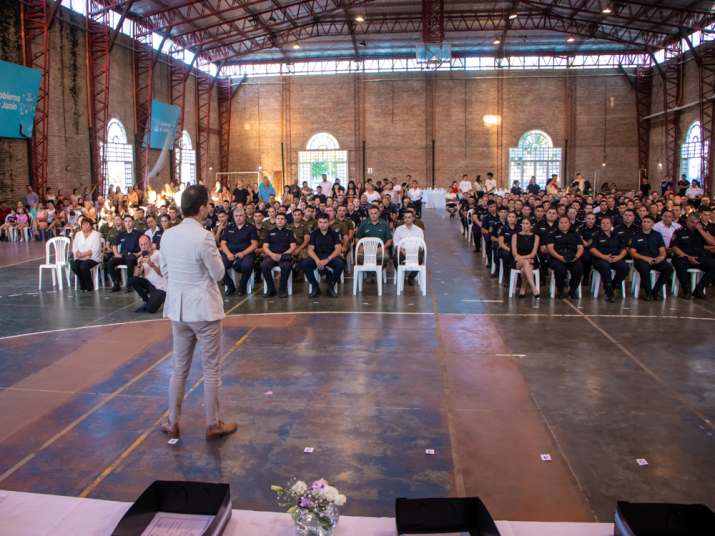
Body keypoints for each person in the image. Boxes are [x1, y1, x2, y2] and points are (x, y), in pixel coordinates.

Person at [159, 184, 237, 440]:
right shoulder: (203, 236)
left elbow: (166, 271)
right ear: (202, 208)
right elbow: (218, 273)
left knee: (179, 367)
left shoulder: (167, 235)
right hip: (203, 310)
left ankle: (172, 420)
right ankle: (213, 423)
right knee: (211, 368)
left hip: (178, 310)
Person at [671, 213, 715, 299]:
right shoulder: (679, 231)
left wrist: (701, 231)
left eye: (696, 222)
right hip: (684, 257)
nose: (694, 224)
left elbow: (712, 242)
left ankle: (699, 289)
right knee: (680, 264)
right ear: (687, 221)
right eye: (692, 222)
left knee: (713, 265)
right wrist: (688, 257)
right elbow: (674, 247)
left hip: (699, 257)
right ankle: (686, 290)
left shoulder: (702, 230)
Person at [629, 215, 672, 301]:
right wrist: (646, 259)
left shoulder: (657, 235)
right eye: (644, 221)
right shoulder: (636, 235)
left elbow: (662, 250)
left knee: (669, 268)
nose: (646, 223)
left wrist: (661, 257)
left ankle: (656, 290)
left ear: (653, 224)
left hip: (655, 259)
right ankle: (648, 292)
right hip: (641, 260)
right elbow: (633, 253)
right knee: (645, 268)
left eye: (648, 222)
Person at [301, 214, 344, 298]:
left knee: (340, 264)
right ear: (317, 223)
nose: (322, 224)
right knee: (305, 264)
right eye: (320, 222)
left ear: (329, 223)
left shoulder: (334, 234)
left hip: (330, 256)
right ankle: (315, 286)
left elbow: (338, 249)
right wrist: (317, 260)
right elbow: (310, 249)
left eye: (325, 222)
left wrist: (327, 260)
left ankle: (331, 286)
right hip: (317, 256)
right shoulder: (314, 234)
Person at [220, 208, 258, 296]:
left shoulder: (251, 228)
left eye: (241, 216)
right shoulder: (228, 227)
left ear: (245, 216)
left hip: (246, 253)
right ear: (233, 217)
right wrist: (228, 253)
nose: (238, 218)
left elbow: (254, 244)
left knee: (247, 265)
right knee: (219, 266)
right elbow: (223, 243)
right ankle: (230, 286)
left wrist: (243, 253)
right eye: (236, 216)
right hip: (230, 253)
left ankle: (242, 286)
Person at [590, 216, 628, 302]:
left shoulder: (617, 235)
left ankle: (613, 286)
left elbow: (624, 249)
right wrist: (604, 257)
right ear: (600, 225)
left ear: (611, 224)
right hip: (600, 259)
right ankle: (609, 294)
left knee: (624, 267)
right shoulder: (596, 235)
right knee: (605, 267)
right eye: (603, 223)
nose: (605, 225)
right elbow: (592, 249)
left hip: (615, 258)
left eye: (607, 223)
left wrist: (619, 257)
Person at [547, 216, 584, 299]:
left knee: (578, 268)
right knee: (560, 269)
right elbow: (550, 248)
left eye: (566, 222)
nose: (564, 224)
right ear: (558, 224)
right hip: (557, 257)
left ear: (569, 224)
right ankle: (560, 290)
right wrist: (559, 257)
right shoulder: (553, 233)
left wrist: (577, 257)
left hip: (573, 257)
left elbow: (580, 247)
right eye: (561, 222)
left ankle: (572, 290)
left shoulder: (575, 234)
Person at [261, 213, 296, 297]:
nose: (280, 220)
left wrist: (282, 255)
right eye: (278, 218)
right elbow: (265, 247)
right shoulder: (270, 232)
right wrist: (272, 255)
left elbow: (293, 247)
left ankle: (282, 290)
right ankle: (271, 289)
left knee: (286, 266)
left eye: (282, 219)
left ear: (285, 221)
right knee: (264, 265)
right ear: (275, 220)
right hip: (272, 256)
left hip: (284, 256)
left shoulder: (289, 232)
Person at [131, 235, 167, 313]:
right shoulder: (141, 257)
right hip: (150, 285)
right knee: (132, 280)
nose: (144, 247)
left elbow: (163, 274)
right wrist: (139, 264)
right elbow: (136, 275)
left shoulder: (159, 254)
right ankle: (147, 301)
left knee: (151, 309)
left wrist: (152, 265)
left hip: (161, 287)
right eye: (141, 245)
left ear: (150, 243)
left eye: (145, 244)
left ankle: (150, 304)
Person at [109, 215, 142, 292]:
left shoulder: (138, 234)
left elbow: (144, 246)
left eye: (130, 221)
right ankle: (116, 283)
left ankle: (129, 284)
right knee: (110, 262)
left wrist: (138, 254)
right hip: (123, 256)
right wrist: (116, 254)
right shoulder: (122, 234)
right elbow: (114, 245)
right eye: (126, 221)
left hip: (134, 256)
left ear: (133, 222)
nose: (128, 223)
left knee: (130, 260)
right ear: (124, 223)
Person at [70, 218, 102, 291]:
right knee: (74, 266)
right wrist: (78, 254)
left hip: (92, 258)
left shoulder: (96, 235)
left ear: (91, 225)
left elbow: (95, 250)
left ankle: (89, 285)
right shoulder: (78, 234)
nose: (85, 226)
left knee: (84, 266)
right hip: (79, 257)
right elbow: (74, 247)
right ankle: (82, 283)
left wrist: (83, 255)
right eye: (83, 224)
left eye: (87, 224)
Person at [511, 218, 540, 298]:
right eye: (523, 223)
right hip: (518, 262)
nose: (524, 225)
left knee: (524, 268)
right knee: (525, 262)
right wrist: (524, 259)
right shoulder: (515, 236)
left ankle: (523, 286)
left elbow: (533, 254)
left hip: (532, 261)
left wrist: (523, 258)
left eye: (527, 223)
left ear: (531, 226)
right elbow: (514, 253)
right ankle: (533, 287)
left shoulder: (536, 237)